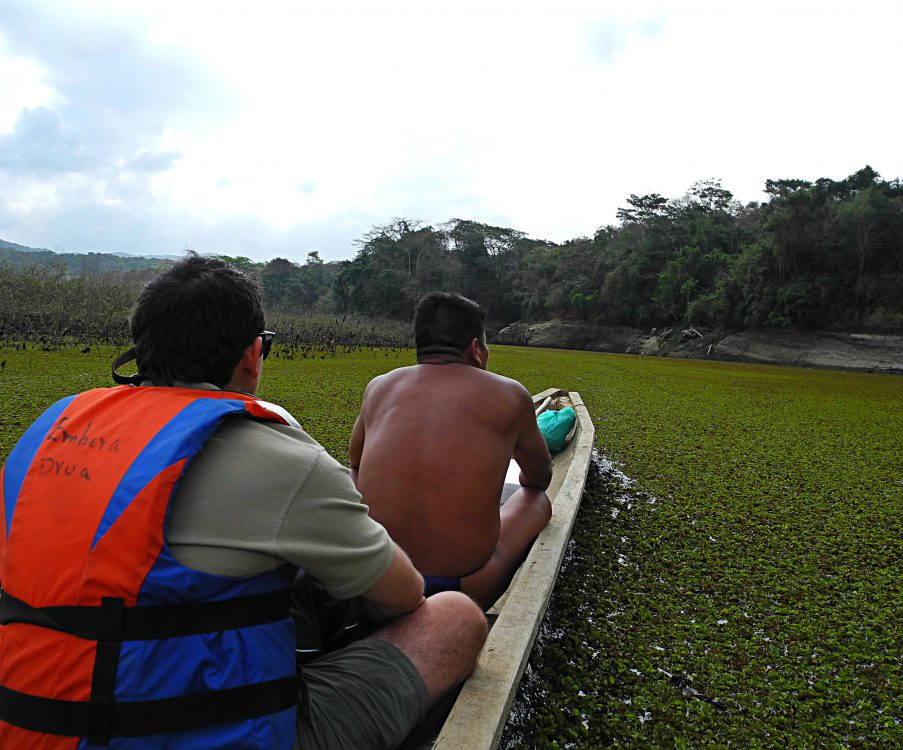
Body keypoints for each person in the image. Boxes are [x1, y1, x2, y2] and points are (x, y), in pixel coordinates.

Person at [0, 254, 487, 749]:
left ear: (142, 346)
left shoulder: (51, 428)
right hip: (203, 735)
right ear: (253, 354)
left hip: (24, 728)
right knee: (453, 616)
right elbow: (403, 596)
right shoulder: (281, 457)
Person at [349, 292, 553, 610]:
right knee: (537, 500)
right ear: (476, 349)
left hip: (376, 577)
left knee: (354, 478)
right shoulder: (509, 394)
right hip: (461, 587)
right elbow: (539, 477)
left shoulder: (379, 386)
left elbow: (355, 462)